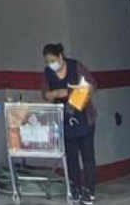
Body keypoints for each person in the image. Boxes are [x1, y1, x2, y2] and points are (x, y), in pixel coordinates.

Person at [42, 42, 97, 204]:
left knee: (88, 157)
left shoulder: (75, 66)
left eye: (53, 60)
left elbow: (93, 84)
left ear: (60, 56)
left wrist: (74, 92)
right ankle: (75, 188)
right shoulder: (47, 73)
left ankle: (90, 191)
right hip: (64, 120)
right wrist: (54, 93)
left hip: (84, 117)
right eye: (48, 62)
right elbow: (45, 94)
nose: (51, 64)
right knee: (71, 158)